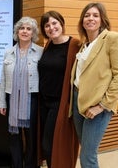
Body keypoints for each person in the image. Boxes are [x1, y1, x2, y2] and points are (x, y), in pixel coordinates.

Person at [70, 2, 118, 168]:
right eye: (87, 15)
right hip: (78, 101)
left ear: (102, 20)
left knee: (88, 156)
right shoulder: (84, 45)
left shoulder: (113, 38)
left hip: (98, 105)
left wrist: (102, 105)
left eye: (95, 15)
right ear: (82, 21)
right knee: (86, 151)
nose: (90, 19)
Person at [0, 16, 43, 168]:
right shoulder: (8, 53)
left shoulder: (40, 52)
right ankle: (16, 165)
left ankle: (30, 165)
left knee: (31, 137)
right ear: (17, 32)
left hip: (32, 99)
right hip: (12, 99)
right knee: (14, 136)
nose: (24, 31)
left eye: (28, 29)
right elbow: (3, 79)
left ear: (33, 33)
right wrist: (2, 102)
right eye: (21, 28)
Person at [37, 11, 80, 168]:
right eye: (47, 25)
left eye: (54, 23)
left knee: (51, 145)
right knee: (45, 145)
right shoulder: (48, 45)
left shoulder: (75, 45)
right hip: (44, 103)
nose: (51, 27)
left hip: (59, 104)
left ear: (62, 24)